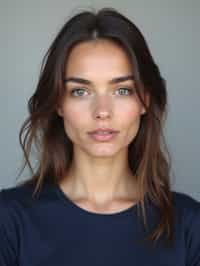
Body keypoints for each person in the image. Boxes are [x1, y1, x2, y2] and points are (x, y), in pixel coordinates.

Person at [0, 7, 199, 266]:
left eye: (122, 90)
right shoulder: (8, 221)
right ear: (59, 103)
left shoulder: (189, 226)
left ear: (145, 101)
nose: (102, 111)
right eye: (81, 91)